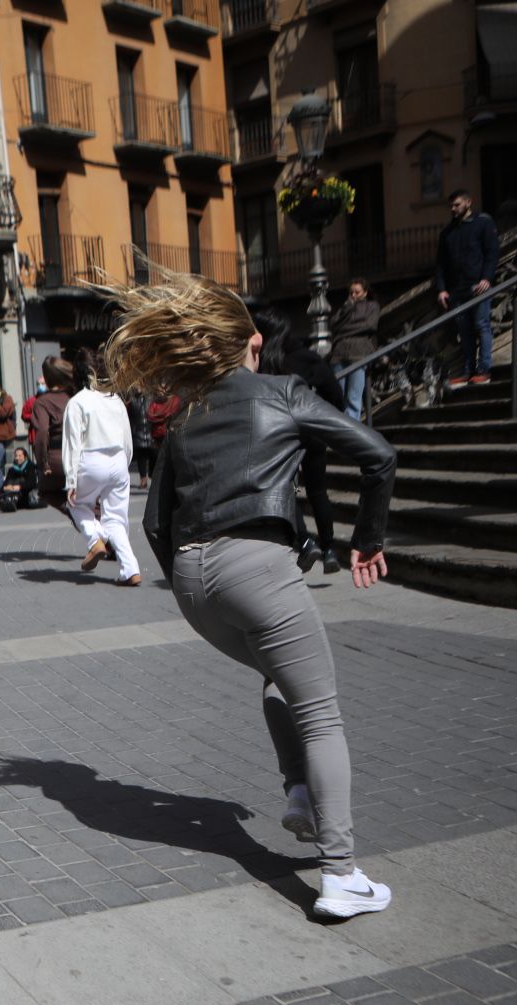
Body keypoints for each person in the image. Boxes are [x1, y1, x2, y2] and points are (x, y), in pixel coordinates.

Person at [109, 271, 398, 921]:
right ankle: (341, 873)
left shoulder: (185, 419)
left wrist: (195, 579)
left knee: (279, 673)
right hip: (258, 568)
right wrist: (365, 540)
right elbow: (379, 454)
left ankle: (297, 790)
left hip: (191, 578)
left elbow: (155, 524)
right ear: (253, 344)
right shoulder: (283, 392)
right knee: (321, 712)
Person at [255, 308, 346, 576]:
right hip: (313, 433)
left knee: (285, 490)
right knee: (319, 492)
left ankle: (305, 541)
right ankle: (329, 548)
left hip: (282, 436)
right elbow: (336, 396)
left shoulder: (266, 363)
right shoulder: (309, 359)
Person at [62, 373, 141, 586]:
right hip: (118, 459)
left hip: (91, 459)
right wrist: (124, 463)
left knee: (77, 505)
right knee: (116, 518)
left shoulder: (77, 401)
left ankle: (94, 539)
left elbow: (72, 443)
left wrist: (71, 480)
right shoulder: (114, 399)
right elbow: (127, 437)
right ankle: (130, 568)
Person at [435, 189, 499, 389]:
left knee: (482, 325)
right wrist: (442, 289)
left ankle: (484, 370)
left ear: (468, 203)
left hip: (477, 286)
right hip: (457, 290)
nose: (453, 209)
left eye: (457, 204)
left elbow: (492, 252)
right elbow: (440, 264)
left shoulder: (483, 223)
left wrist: (487, 278)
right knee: (465, 332)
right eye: (451, 206)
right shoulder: (447, 233)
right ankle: (468, 370)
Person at [29, 358, 87, 541]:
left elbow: (42, 433)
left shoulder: (43, 402)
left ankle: (87, 524)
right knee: (87, 497)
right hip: (84, 455)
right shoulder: (77, 395)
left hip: (57, 457)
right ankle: (98, 525)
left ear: (47, 378)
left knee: (47, 491)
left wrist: (42, 461)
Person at [330, 279, 380, 420]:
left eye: (357, 292)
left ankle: (351, 431)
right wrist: (346, 308)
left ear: (365, 292)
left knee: (353, 397)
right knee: (338, 396)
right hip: (339, 353)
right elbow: (333, 325)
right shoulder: (346, 307)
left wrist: (343, 331)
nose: (353, 295)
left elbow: (370, 325)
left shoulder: (372, 306)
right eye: (351, 292)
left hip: (359, 353)